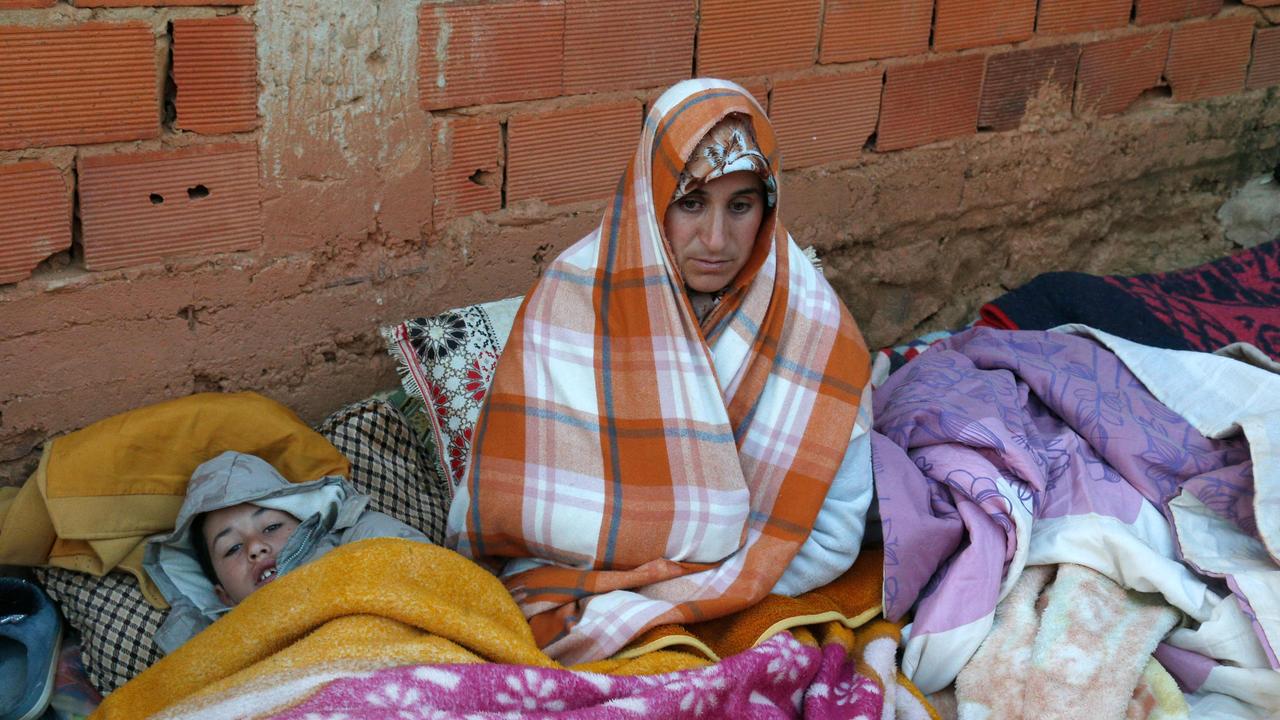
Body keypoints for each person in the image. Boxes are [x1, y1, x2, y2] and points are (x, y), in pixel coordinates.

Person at [447, 78, 874, 663]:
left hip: (756, 578)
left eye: (741, 206)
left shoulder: (814, 325)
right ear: (651, 199)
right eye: (691, 202)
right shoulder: (570, 301)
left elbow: (832, 534)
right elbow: (516, 516)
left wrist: (692, 594)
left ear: (769, 208)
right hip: (580, 579)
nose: (716, 239)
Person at [144, 450, 429, 652]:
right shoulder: (217, 652)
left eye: (270, 528)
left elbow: (430, 577)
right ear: (223, 595)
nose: (255, 547)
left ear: (309, 525)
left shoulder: (361, 540)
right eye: (232, 548)